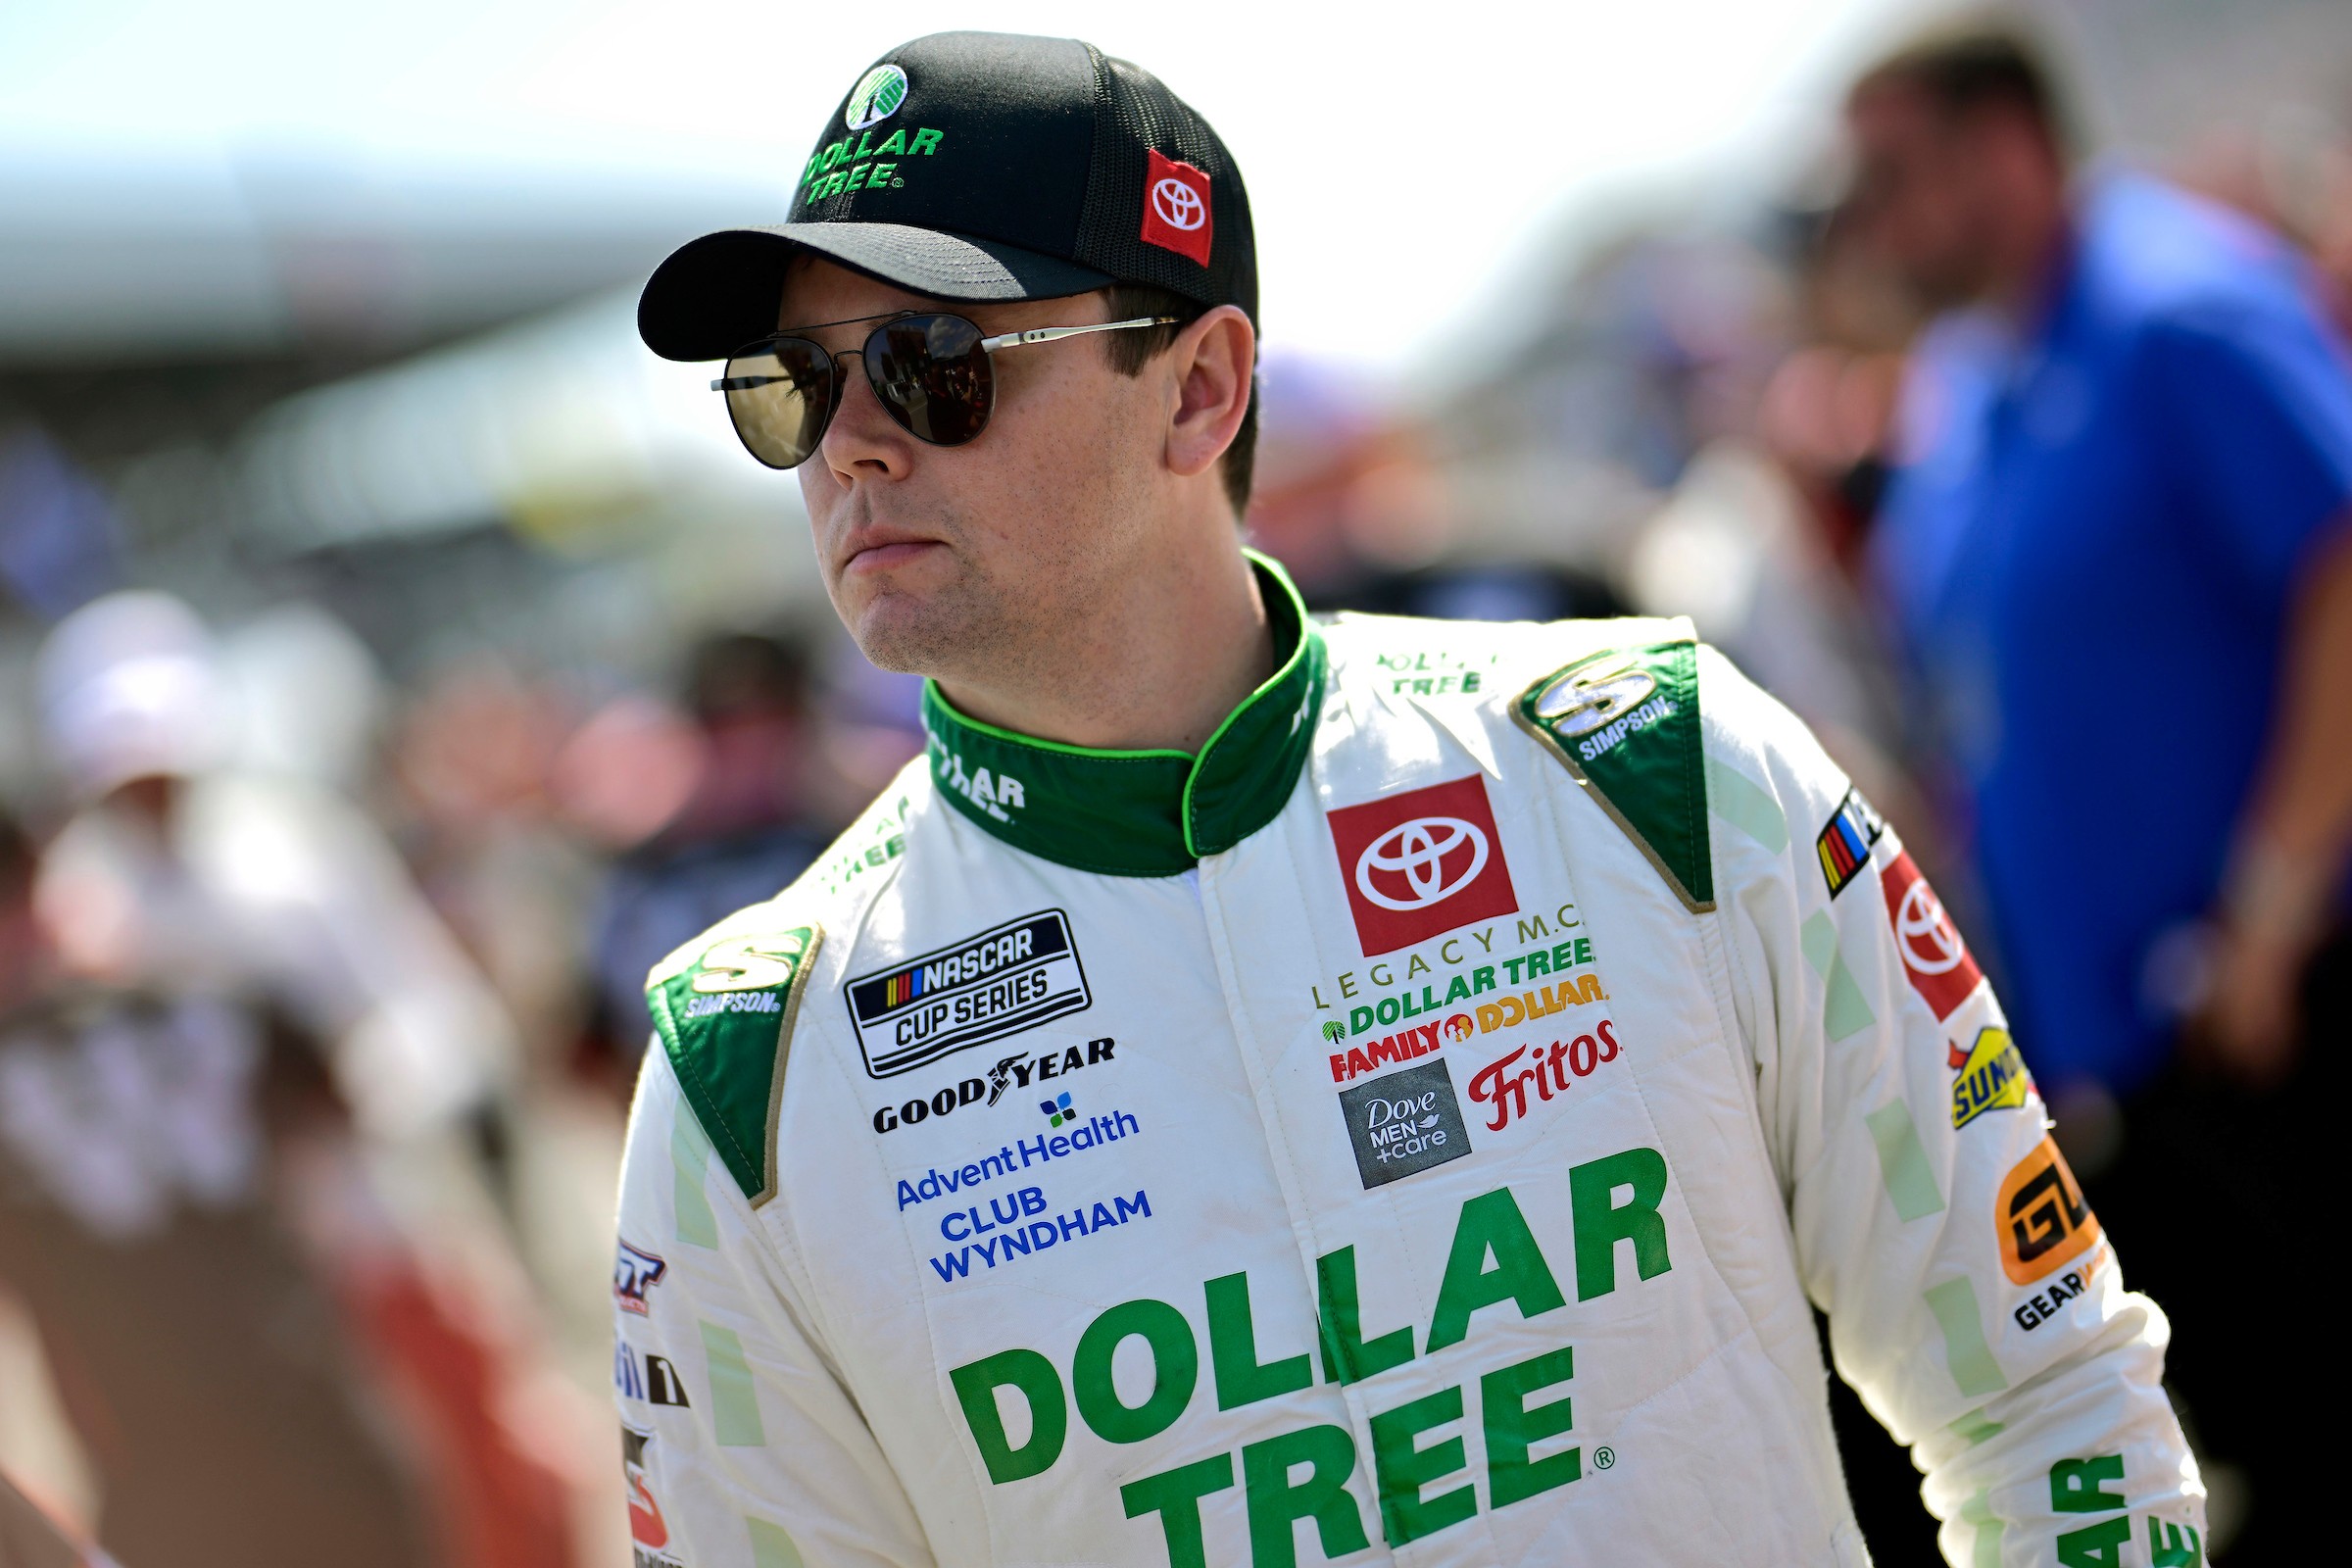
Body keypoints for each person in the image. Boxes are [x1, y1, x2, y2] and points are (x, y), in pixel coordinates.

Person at [609, 31, 2205, 1566]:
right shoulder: (745, 1077)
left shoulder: (1648, 765)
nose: (850, 448)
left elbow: (2053, 1403)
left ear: (1198, 390)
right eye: (797, 384)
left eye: (931, 365)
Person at [1848, 24, 2352, 1553]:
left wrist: (2271, 905)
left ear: (2006, 145)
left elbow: (2340, 566)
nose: (1868, 217)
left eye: (1892, 173)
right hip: (2132, 1064)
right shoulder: (1966, 379)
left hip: (2285, 1008)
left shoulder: (2178, 309)